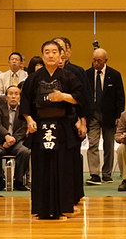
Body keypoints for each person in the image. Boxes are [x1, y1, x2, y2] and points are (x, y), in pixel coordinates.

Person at [21, 39, 87, 220]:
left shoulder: (68, 77)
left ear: (61, 55)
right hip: (40, 127)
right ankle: (42, 210)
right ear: (42, 56)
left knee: (62, 168)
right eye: (47, 52)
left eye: (54, 52)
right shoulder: (33, 78)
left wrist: (63, 96)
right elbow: (25, 101)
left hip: (62, 127)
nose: (50, 55)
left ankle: (62, 208)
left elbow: (80, 98)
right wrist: (29, 120)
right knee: (41, 169)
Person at [84, 48, 124, 185]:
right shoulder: (86, 74)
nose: (96, 63)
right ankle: (94, 174)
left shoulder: (115, 75)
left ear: (105, 60)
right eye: (94, 60)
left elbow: (120, 97)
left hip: (109, 114)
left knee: (108, 144)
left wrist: (119, 115)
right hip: (92, 114)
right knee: (93, 143)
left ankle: (107, 173)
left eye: (99, 61)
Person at [0, 85, 30, 191]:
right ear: (6, 97)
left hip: (17, 142)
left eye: (16, 94)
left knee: (25, 151)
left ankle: (18, 181)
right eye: (10, 94)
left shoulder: (24, 111)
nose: (13, 96)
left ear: (20, 97)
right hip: (2, 141)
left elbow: (24, 128)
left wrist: (13, 139)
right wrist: (6, 136)